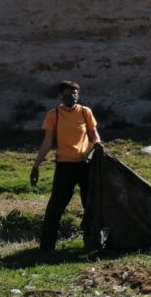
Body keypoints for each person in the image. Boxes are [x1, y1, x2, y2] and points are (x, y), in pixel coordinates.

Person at [30, 81, 101, 250]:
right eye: (68, 94)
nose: (72, 97)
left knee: (90, 205)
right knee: (55, 207)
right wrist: (36, 165)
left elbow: (93, 133)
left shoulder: (85, 112)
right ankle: (47, 247)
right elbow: (47, 142)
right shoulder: (53, 114)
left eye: (75, 93)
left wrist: (98, 143)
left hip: (86, 166)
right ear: (60, 96)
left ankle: (91, 244)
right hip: (64, 167)